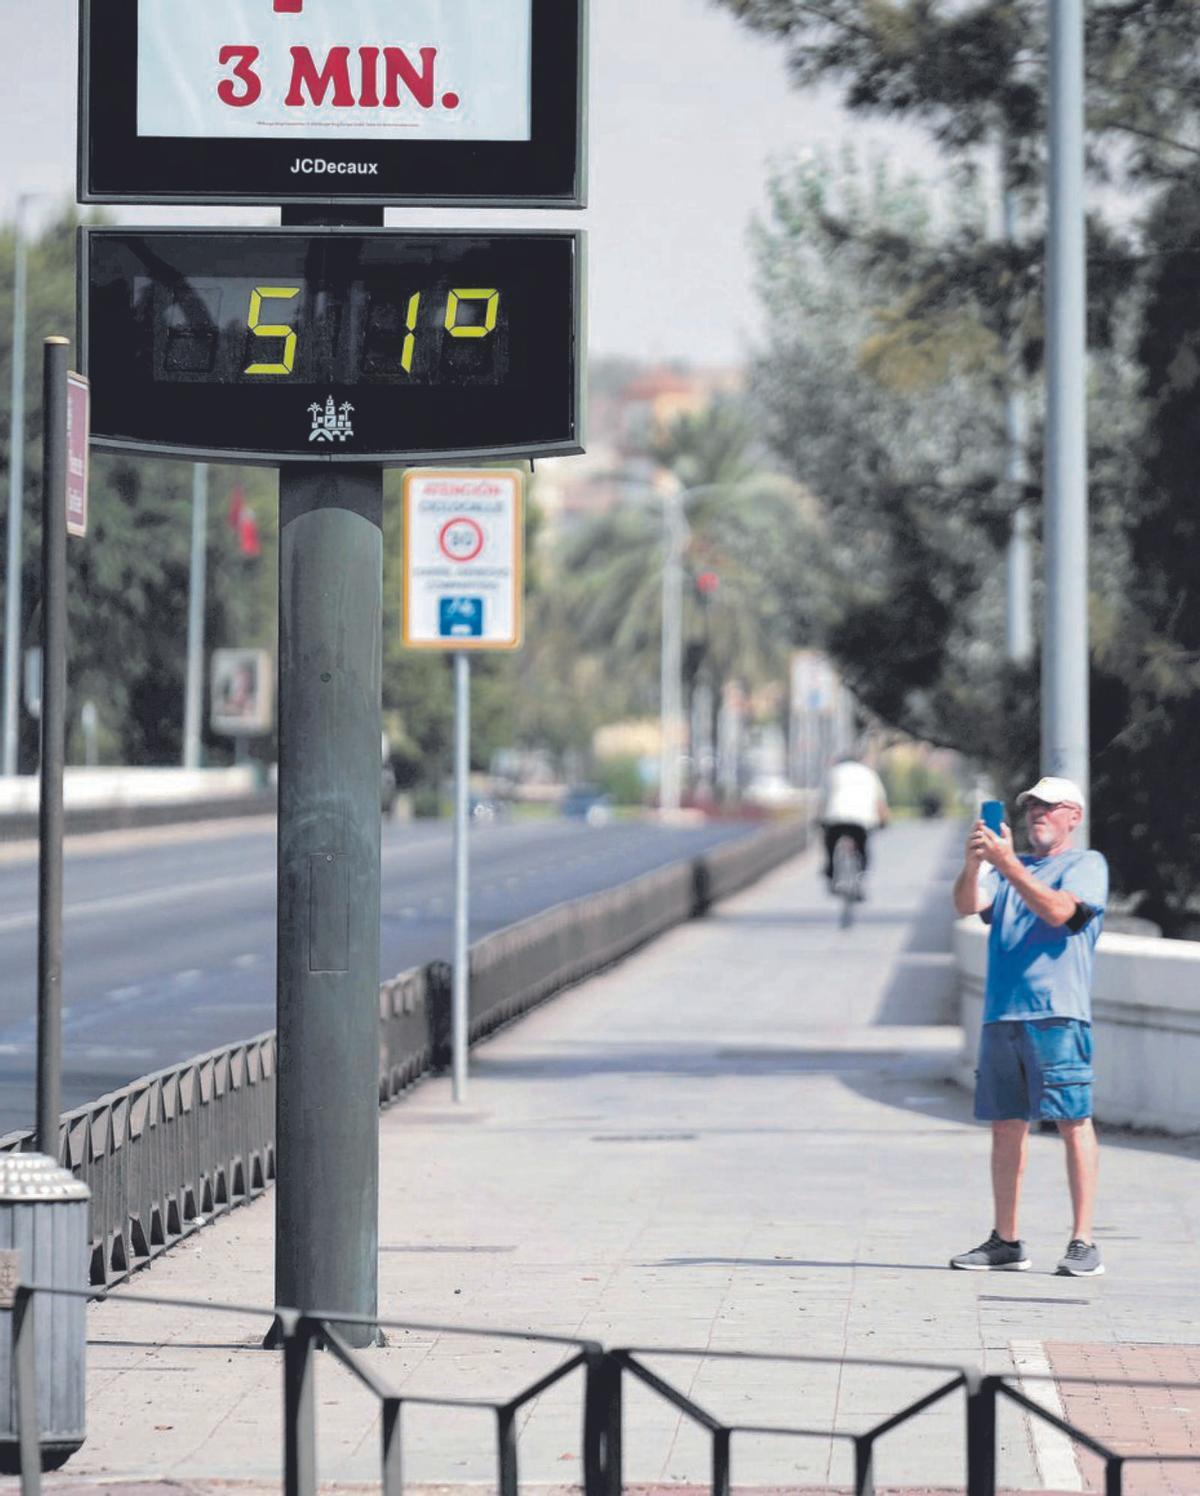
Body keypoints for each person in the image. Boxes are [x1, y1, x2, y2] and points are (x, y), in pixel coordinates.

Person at [949, 776, 1108, 1277]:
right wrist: (977, 862)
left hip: (1058, 1013)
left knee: (1072, 1120)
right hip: (1003, 1014)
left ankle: (1083, 1241)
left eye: (1048, 806)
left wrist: (1008, 864)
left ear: (1073, 817)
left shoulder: (1086, 865)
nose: (1037, 813)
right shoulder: (1004, 869)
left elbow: (1062, 912)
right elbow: (967, 904)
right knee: (1005, 1126)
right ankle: (1007, 1240)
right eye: (1031, 806)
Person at [818, 753, 889, 889]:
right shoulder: (869, 773)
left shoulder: (833, 772)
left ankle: (831, 871)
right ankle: (861, 874)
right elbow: (880, 802)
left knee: (830, 843)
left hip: (836, 816)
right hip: (862, 819)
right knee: (863, 847)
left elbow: (823, 800)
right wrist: (884, 821)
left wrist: (820, 819)